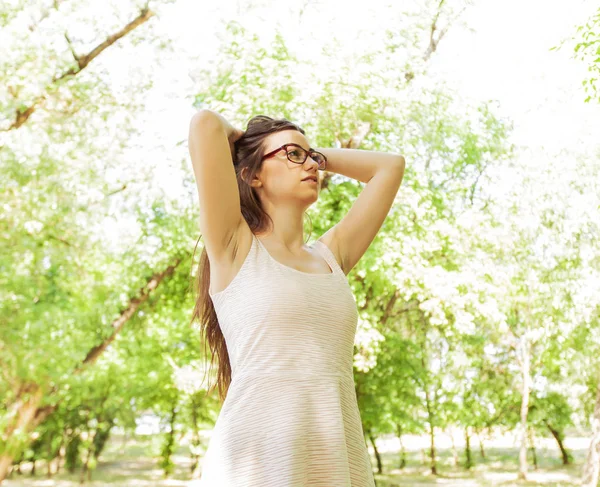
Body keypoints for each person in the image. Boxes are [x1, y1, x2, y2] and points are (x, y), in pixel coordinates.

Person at [188, 109, 405, 486]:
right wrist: (243, 141)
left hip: (335, 455)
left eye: (312, 158)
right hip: (257, 462)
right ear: (252, 175)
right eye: (293, 156)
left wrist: (307, 150)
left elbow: (390, 167)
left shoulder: (331, 255)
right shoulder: (234, 247)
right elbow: (205, 124)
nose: (311, 167)